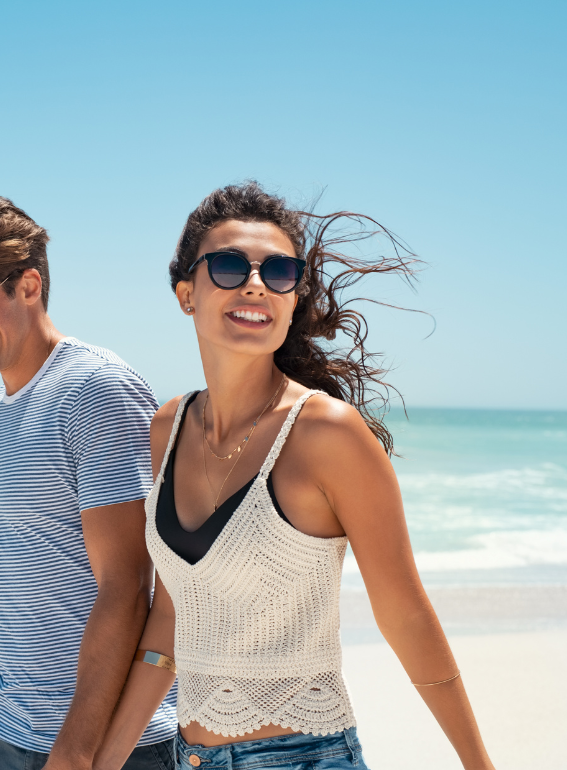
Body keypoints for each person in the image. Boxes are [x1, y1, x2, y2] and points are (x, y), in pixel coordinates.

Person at [92, 182, 496, 770]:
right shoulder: (168, 428)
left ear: (290, 297)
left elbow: (404, 613)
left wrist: (478, 764)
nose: (254, 282)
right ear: (187, 294)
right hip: (190, 759)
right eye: (229, 265)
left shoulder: (327, 433)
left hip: (306, 757)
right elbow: (172, 621)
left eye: (278, 271)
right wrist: (103, 761)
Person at [0, 196, 178, 770]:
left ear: (29, 287)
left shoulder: (96, 391)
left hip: (108, 745)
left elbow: (129, 584)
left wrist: (79, 749)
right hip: (4, 728)